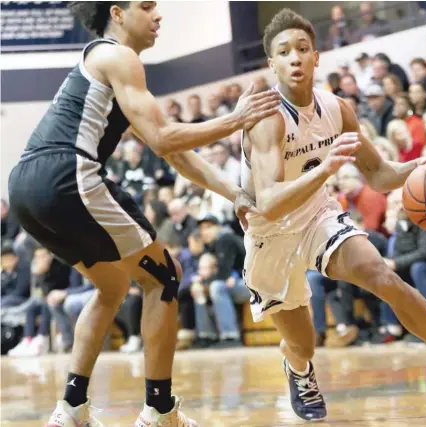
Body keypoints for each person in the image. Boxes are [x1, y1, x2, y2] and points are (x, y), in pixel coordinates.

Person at [7, 2, 279, 427]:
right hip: (66, 174)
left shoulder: (104, 64)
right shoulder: (119, 56)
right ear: (117, 12)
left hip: (25, 187)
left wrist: (234, 194)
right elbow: (162, 135)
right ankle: (159, 410)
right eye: (147, 5)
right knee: (164, 277)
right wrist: (235, 119)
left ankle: (71, 408)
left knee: (111, 286)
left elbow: (171, 151)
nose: (158, 15)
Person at [240, 9, 426, 422]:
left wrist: (421, 165)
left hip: (317, 216)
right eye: (284, 52)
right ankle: (298, 370)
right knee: (303, 344)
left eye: (302, 49)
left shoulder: (338, 109)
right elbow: (270, 201)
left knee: (384, 277)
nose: (294, 58)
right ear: (272, 63)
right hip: (270, 232)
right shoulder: (267, 119)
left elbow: (380, 175)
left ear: (316, 57)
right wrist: (329, 170)